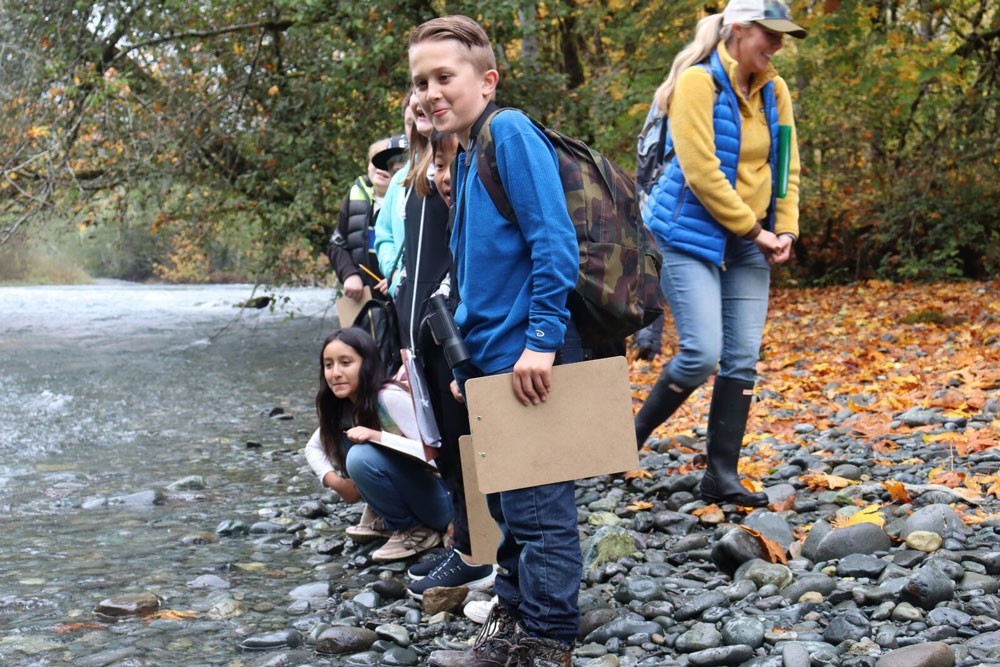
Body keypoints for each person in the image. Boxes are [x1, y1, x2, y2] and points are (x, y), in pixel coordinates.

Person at [410, 15, 582, 667]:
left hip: (528, 363)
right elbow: (478, 280)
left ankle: (547, 637)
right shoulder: (464, 152)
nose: (429, 91)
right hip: (492, 367)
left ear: (486, 80)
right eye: (420, 81)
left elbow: (553, 242)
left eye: (443, 76)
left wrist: (541, 341)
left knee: (539, 509)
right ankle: (509, 620)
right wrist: (468, 365)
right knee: (507, 506)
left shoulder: (507, 132)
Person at [634, 0, 805, 507]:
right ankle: (628, 437)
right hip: (687, 234)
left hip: (752, 237)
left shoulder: (775, 90)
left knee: (741, 357)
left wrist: (787, 231)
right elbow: (701, 170)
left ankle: (721, 474)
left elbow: (788, 165)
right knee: (703, 351)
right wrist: (757, 232)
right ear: (737, 29)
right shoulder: (697, 83)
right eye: (768, 34)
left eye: (781, 37)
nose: (776, 46)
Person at [396, 128, 496, 599]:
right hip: (437, 338)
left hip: (479, 343)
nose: (442, 175)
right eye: (436, 165)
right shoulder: (434, 197)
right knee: (452, 449)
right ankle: (468, 543)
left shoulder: (483, 195)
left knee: (473, 445)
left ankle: (483, 555)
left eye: (450, 162)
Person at [303, 327, 452, 562]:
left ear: (368, 364)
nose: (335, 373)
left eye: (345, 362)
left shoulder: (388, 398)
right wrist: (338, 483)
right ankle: (388, 518)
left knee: (361, 455)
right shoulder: (345, 408)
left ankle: (414, 531)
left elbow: (437, 456)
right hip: (419, 498)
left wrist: (378, 436)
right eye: (328, 365)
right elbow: (313, 448)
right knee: (347, 439)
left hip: (444, 502)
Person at [328, 136, 407, 301]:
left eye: (391, 165)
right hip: (365, 300)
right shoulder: (355, 198)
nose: (381, 169)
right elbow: (337, 244)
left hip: (400, 298)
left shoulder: (410, 202)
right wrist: (349, 274)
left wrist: (396, 277)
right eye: (376, 162)